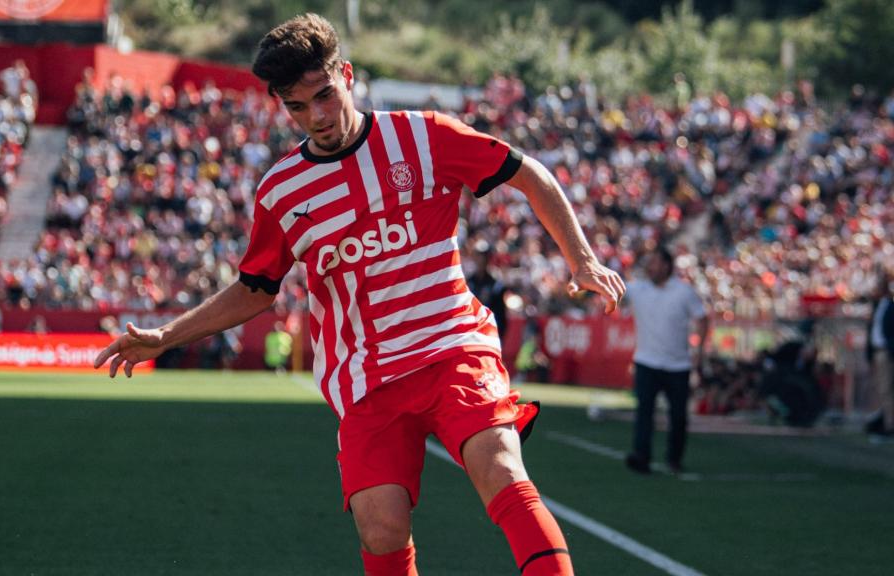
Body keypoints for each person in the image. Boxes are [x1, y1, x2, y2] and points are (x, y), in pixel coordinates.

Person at [93, 13, 625, 576]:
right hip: (365, 376)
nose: (317, 116)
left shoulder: (425, 136)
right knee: (382, 528)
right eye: (298, 106)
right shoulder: (281, 191)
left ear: (346, 75)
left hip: (453, 345)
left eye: (325, 94)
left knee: (501, 469)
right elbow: (255, 289)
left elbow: (529, 174)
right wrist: (165, 335)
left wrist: (583, 259)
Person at [624, 247, 708, 475]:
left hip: (678, 364)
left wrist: (698, 350)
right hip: (646, 361)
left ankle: (674, 458)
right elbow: (615, 290)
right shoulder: (638, 288)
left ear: (667, 266)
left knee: (678, 416)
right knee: (644, 413)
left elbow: (702, 319)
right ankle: (642, 457)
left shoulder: (684, 292)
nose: (650, 267)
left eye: (655, 263)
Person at [865, 274, 894, 437]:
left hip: (886, 352)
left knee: (886, 389)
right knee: (881, 390)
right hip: (878, 352)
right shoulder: (877, 307)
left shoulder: (890, 307)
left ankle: (889, 425)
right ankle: (882, 421)